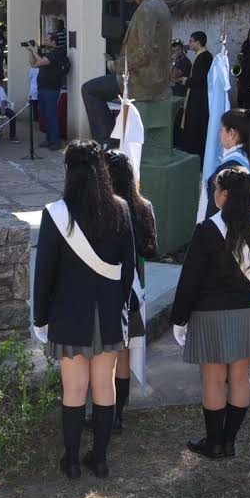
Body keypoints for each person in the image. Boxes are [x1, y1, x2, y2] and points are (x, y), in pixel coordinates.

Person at [31, 141, 135, 479]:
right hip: (107, 313)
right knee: (104, 387)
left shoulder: (55, 213)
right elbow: (128, 268)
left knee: (74, 390)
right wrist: (118, 305)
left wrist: (41, 318)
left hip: (69, 314)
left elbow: (43, 272)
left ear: (68, 171)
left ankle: (72, 461)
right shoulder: (120, 208)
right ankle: (100, 459)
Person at [170, 166, 250, 459]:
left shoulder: (208, 229)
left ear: (225, 195)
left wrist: (179, 318)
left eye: (216, 189)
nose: (214, 194)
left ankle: (214, 441)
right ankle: (229, 441)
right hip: (249, 312)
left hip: (211, 315)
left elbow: (190, 279)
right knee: (241, 378)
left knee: (214, 381)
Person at [103, 150, 154, 433]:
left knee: (107, 357)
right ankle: (117, 415)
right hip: (135, 286)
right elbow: (150, 248)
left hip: (110, 285)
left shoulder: (106, 209)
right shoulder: (144, 206)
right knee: (123, 355)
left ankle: (107, 414)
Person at [204, 109, 250, 219]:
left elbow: (214, 209)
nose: (220, 133)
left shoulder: (228, 168)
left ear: (231, 133)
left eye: (221, 129)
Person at [177, 32, 213, 157]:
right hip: (196, 95)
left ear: (198, 43)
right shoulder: (202, 55)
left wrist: (186, 80)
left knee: (196, 127)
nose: (189, 43)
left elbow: (199, 79)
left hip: (199, 98)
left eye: (191, 41)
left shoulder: (204, 56)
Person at [29, 33, 66, 150]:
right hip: (42, 87)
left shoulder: (57, 52)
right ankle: (49, 139)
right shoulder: (47, 52)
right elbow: (33, 64)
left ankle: (56, 141)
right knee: (45, 115)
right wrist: (30, 51)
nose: (44, 41)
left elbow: (41, 62)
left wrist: (34, 51)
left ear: (53, 41)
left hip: (52, 88)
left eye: (46, 39)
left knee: (51, 114)